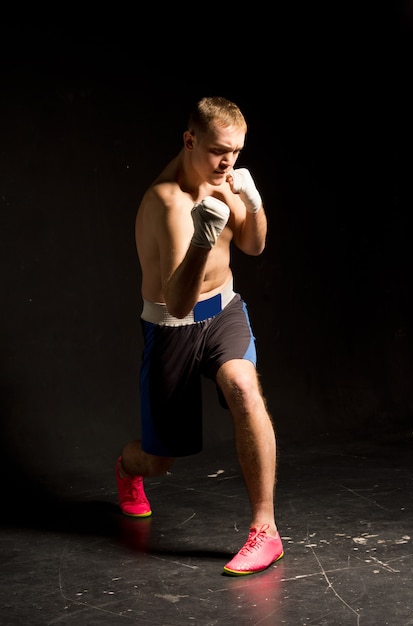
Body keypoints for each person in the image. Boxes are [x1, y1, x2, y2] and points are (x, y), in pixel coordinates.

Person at [115, 95, 284, 576]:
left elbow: (253, 244)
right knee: (158, 461)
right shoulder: (165, 202)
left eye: (236, 152)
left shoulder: (224, 179)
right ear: (190, 141)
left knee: (243, 388)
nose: (228, 163)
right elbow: (179, 302)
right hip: (174, 327)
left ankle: (265, 530)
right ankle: (127, 471)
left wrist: (250, 201)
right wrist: (202, 238)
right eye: (218, 151)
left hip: (225, 310)